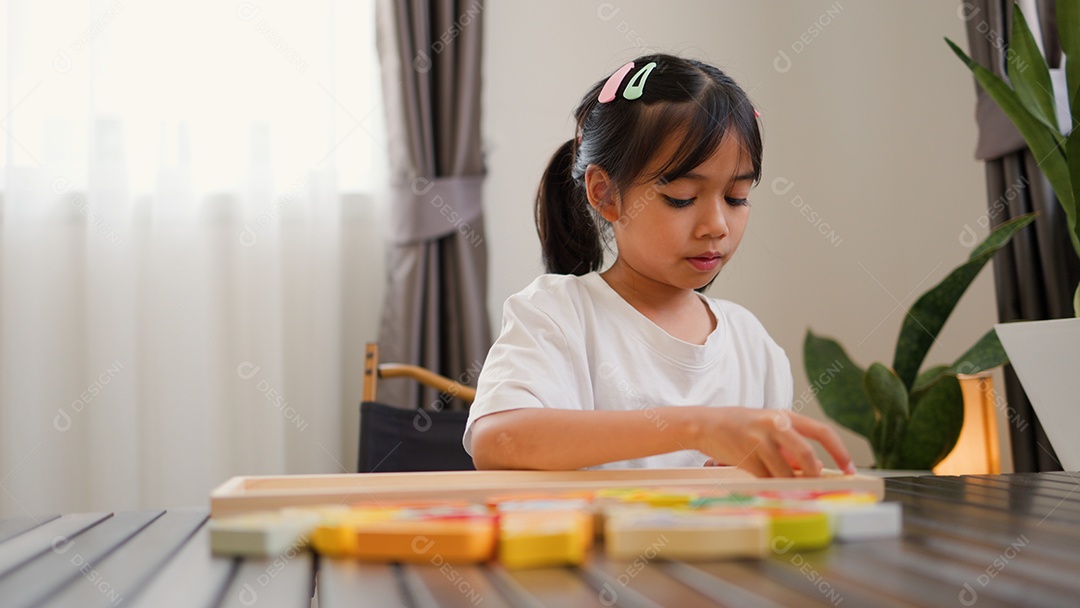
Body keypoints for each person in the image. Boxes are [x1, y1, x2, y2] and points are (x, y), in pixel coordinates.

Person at [465, 54, 855, 478]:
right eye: (682, 198)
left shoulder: (752, 346)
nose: (716, 226)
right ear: (606, 194)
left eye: (737, 197)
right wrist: (696, 426)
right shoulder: (557, 315)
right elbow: (498, 441)